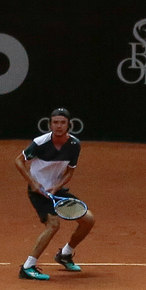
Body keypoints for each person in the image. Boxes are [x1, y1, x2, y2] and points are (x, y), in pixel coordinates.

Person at [15, 108, 94, 280]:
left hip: (56, 191)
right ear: (50, 124)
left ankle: (65, 254)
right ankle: (28, 267)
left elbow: (69, 172)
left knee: (88, 220)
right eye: (55, 122)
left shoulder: (74, 145)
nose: (59, 126)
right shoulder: (40, 142)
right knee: (53, 225)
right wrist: (33, 183)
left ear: (68, 125)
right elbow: (18, 161)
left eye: (62, 122)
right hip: (38, 192)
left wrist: (57, 186)